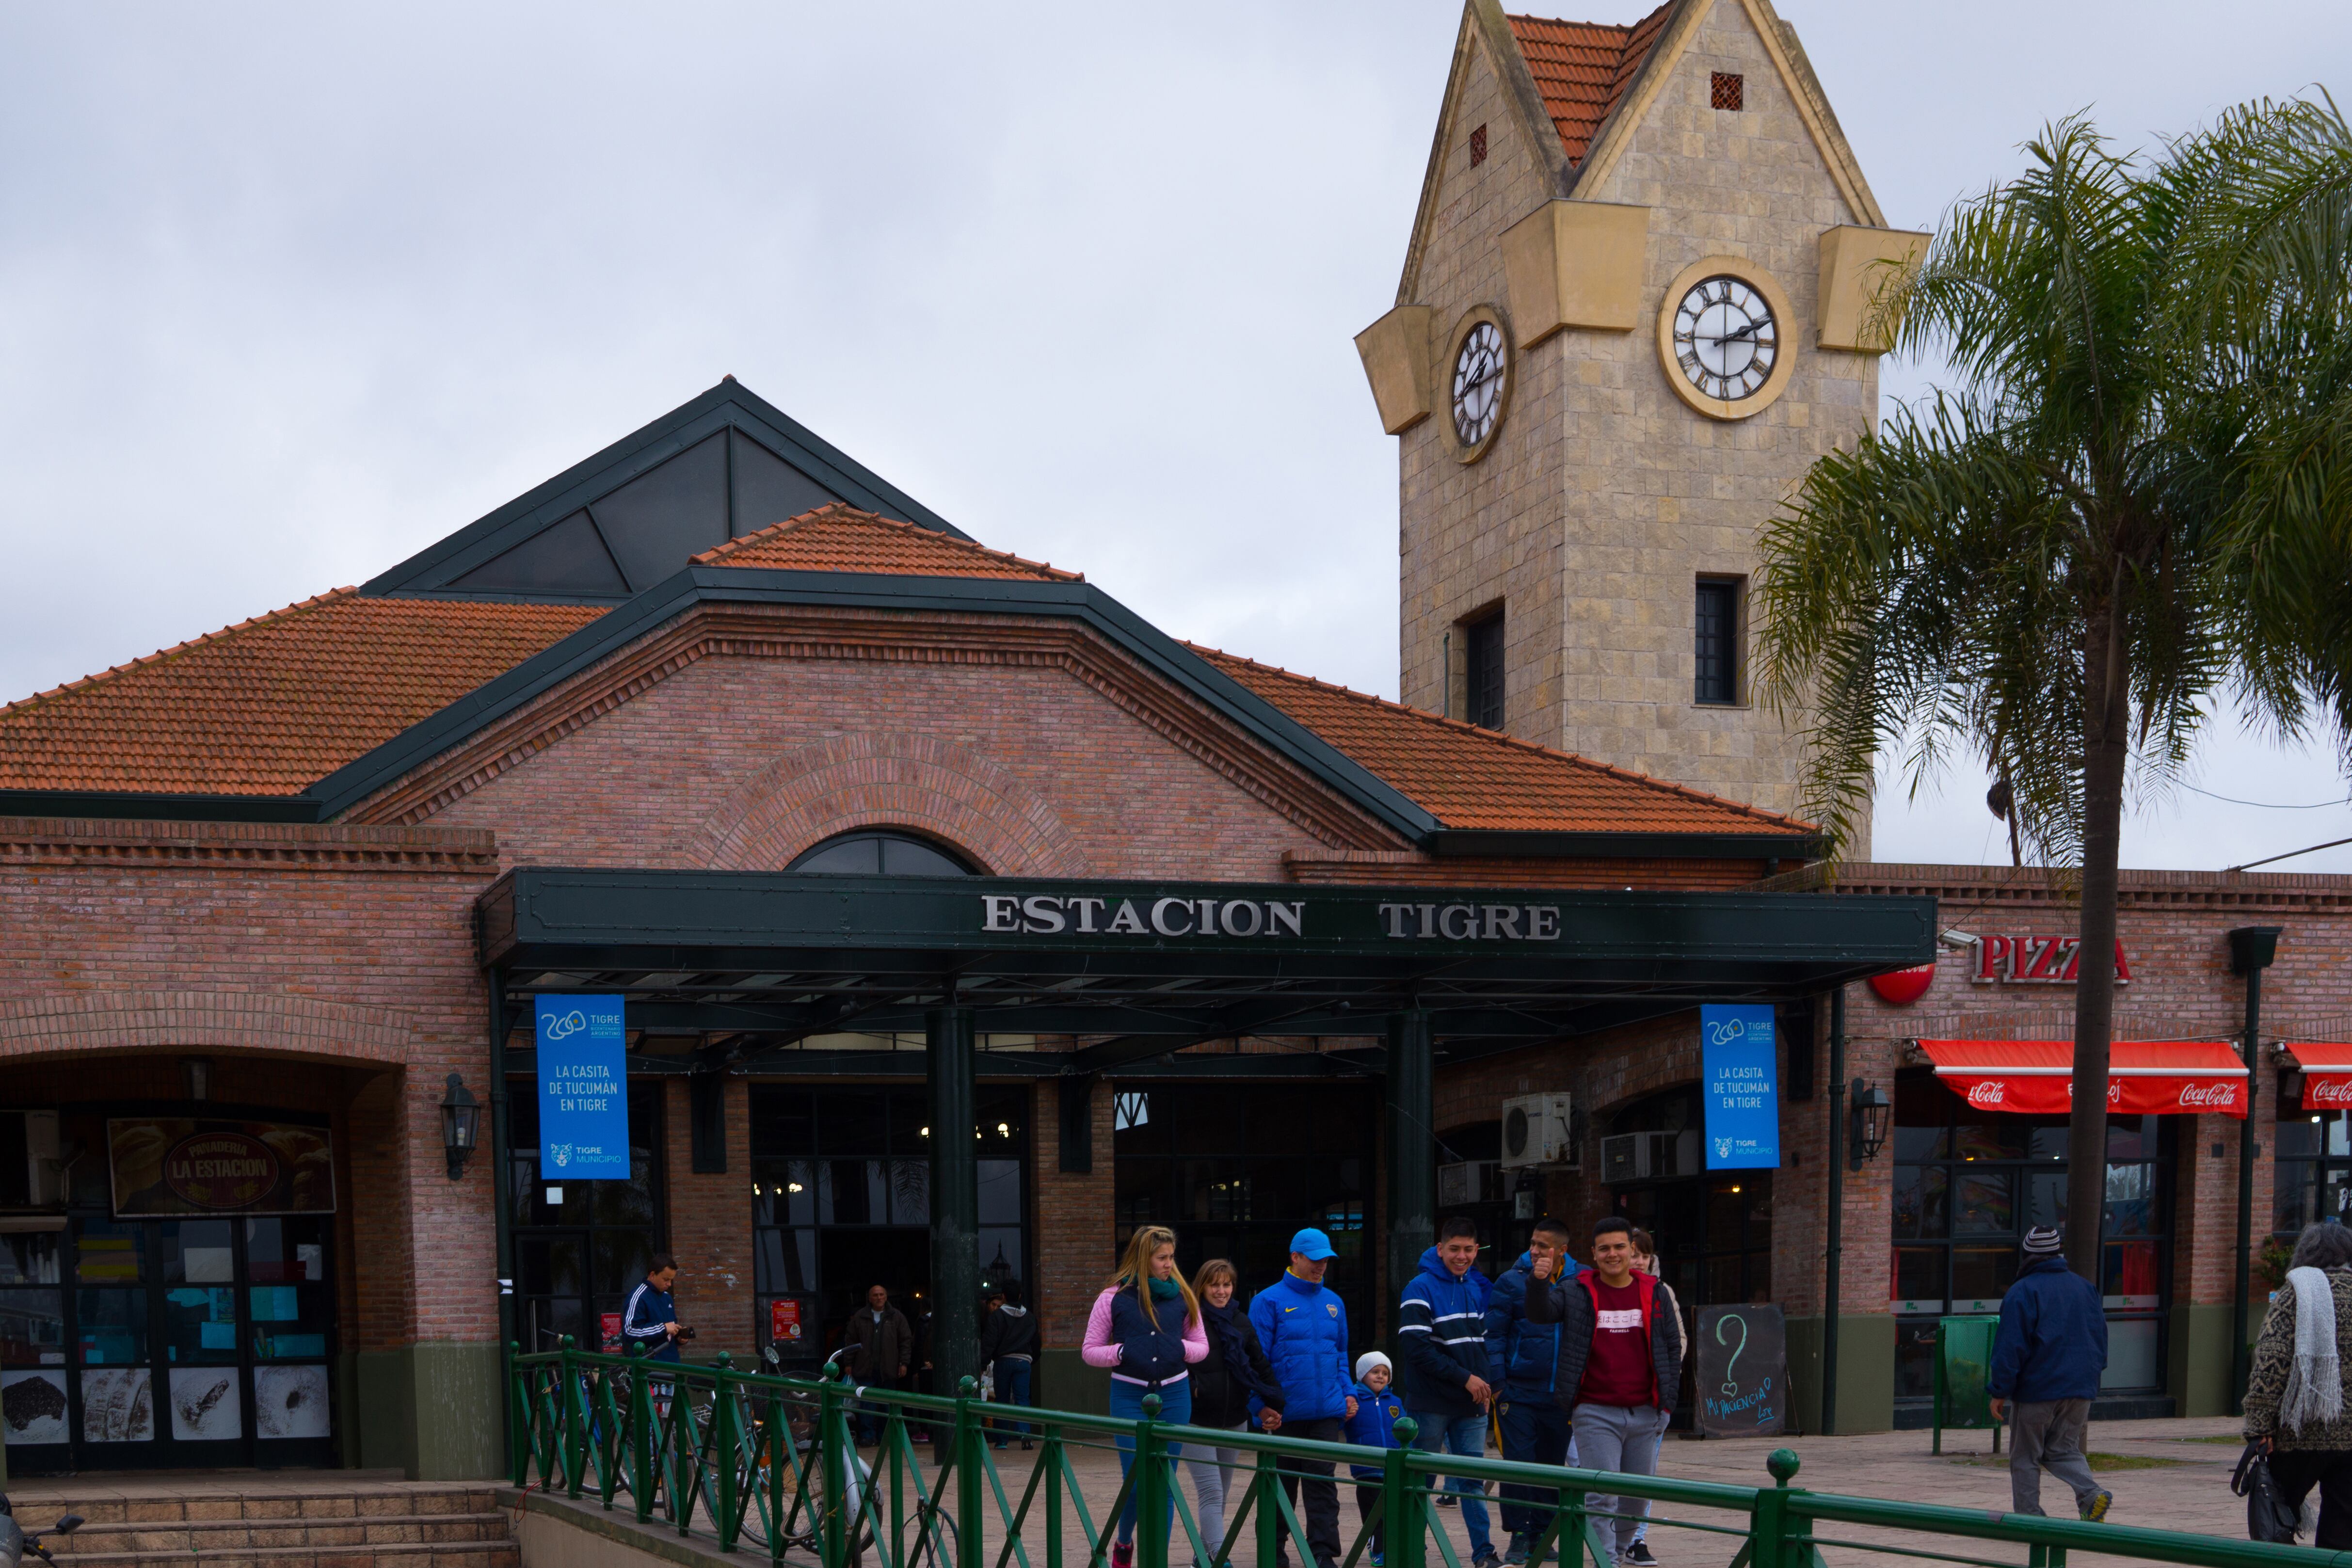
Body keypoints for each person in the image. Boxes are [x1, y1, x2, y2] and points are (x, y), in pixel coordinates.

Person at [1526, 1217, 1683, 1567]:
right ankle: (1605, 1561)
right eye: (1604, 1249)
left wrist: (1667, 1405)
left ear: (1631, 1250)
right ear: (1594, 1254)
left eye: (1619, 1247)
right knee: (1602, 1494)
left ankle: (1619, 1549)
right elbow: (1541, 1314)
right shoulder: (1576, 1290)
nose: (1612, 1254)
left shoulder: (1655, 1291)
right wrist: (1538, 1282)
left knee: (1637, 1496)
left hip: (1646, 1411)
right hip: (1594, 1411)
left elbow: (1672, 1348)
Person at [1083, 1225, 1209, 1568]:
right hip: (1129, 1394)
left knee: (1165, 1482)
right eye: (1162, 1258)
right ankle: (1124, 1543)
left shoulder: (1183, 1295)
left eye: (1171, 1257)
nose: (1169, 1264)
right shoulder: (1113, 1297)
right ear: (1143, 1259)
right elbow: (1090, 1350)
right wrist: (1122, 1351)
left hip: (1175, 1394)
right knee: (1137, 1481)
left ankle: (1157, 1561)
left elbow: (1201, 1347)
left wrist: (1177, 1348)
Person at [1249, 1227, 1358, 1568]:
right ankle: (1272, 1554)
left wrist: (1348, 1393)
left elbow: (1340, 1355)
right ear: (1295, 1257)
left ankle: (1323, 1554)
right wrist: (1259, 1406)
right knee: (1279, 1487)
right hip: (1281, 1415)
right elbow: (1253, 1360)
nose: (1321, 1265)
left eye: (1326, 1259)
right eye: (1315, 1259)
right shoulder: (1267, 1301)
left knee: (1323, 1487)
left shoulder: (1334, 1302)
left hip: (1325, 1413)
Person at [1987, 1226, 2112, 1522]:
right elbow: (2100, 1338)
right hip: (2081, 1388)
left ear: (2027, 1255)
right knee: (2064, 1450)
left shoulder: (2022, 1292)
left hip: (2038, 1389)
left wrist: (1999, 1390)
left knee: (2025, 1456)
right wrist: (2090, 1377)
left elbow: (2010, 1347)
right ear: (2058, 1253)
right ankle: (2091, 1494)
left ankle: (2030, 1520)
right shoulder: (2085, 1288)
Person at [1399, 1217, 1501, 1568]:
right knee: (1421, 1481)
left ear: (1477, 1250)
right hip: (1431, 1402)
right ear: (1440, 1249)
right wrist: (1466, 1379)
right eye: (1454, 1249)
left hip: (1471, 1403)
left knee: (1472, 1482)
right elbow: (1416, 1349)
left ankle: (1484, 1553)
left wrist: (1485, 1383)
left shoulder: (1472, 1286)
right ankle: (1413, 1551)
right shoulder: (1419, 1287)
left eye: (1468, 1250)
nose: (1462, 1256)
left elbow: (1483, 1344)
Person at [2247, 1219, 2352, 1544]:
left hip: (2299, 1431)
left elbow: (2271, 1361)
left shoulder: (2296, 1292)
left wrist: (2259, 1427)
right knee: (2343, 1527)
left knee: (2275, 1513)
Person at [1488, 1218, 1583, 1565]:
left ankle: (1542, 1535)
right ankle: (1518, 1534)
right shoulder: (1511, 1281)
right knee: (1519, 1465)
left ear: (1562, 1250)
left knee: (1551, 1467)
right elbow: (1494, 1335)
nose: (1534, 1250)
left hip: (1562, 1394)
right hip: (1517, 1392)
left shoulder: (1582, 1280)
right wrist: (1499, 1385)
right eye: (1532, 1243)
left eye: (1543, 1245)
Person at [1186, 1258, 1287, 1568]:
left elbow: (1260, 1365)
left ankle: (1201, 1557)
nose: (1221, 1291)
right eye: (1214, 1285)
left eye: (1227, 1284)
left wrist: (1275, 1402)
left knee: (1221, 1492)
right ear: (1202, 1287)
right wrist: (1193, 1390)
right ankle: (1220, 1557)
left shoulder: (1241, 1321)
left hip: (1235, 1420)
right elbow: (1175, 1363)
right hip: (1196, 1421)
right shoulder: (1189, 1320)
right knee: (1211, 1491)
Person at [1344, 1352, 1405, 1568]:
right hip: (1367, 1469)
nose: (1381, 1376)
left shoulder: (1395, 1401)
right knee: (1373, 1514)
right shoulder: (1353, 1400)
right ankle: (1378, 1549)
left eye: (1385, 1373)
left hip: (1392, 1468)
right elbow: (1340, 1424)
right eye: (1375, 1372)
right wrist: (1346, 1413)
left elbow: (1406, 1430)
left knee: (1395, 1511)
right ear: (1363, 1375)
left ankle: (1398, 1545)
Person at [846, 1282, 914, 1446]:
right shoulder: (860, 1317)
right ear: (870, 1298)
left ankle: (885, 1437)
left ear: (886, 1297)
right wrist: (848, 1363)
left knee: (887, 1406)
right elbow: (850, 1341)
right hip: (865, 1369)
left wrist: (904, 1363)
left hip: (889, 1369)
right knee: (867, 1405)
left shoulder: (897, 1317)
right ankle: (868, 1437)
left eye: (881, 1295)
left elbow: (906, 1342)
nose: (879, 1298)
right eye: (875, 1295)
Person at [980, 1280, 1040, 1449]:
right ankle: (1025, 1433)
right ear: (1020, 1295)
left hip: (1003, 1361)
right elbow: (1036, 1342)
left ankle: (1001, 1441)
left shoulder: (997, 1317)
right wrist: (1032, 1359)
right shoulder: (1030, 1317)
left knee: (1002, 1400)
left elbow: (989, 1342)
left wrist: (983, 1364)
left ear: (1004, 1296)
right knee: (1023, 1399)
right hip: (1024, 1362)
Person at [624, 1253, 684, 1364]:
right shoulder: (638, 1297)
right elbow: (630, 1331)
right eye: (666, 1279)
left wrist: (679, 1337)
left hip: (672, 1364)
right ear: (652, 1275)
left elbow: (669, 1330)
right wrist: (663, 1328)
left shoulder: (667, 1298)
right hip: (650, 1367)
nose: (669, 1284)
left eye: (671, 1280)